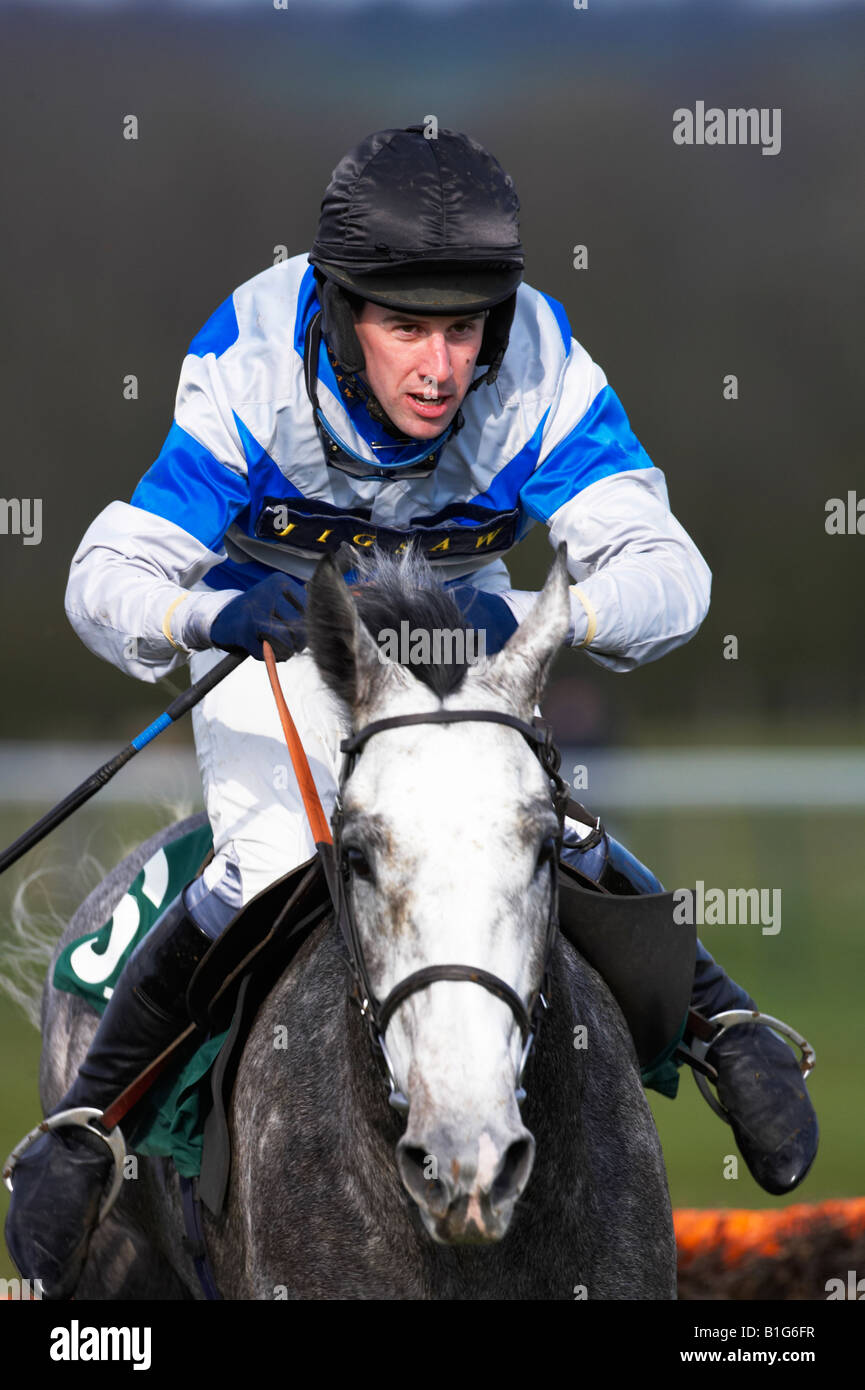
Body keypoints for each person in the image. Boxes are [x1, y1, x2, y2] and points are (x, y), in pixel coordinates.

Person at [5, 126, 818, 1297]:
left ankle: (725, 1028)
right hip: (288, 641)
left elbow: (671, 572)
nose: (441, 368)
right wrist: (210, 610)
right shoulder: (248, 356)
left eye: (462, 328)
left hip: (464, 628)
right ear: (337, 313)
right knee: (284, 844)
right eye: (406, 328)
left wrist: (551, 619)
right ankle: (85, 1129)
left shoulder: (537, 356)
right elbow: (105, 575)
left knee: (513, 826)